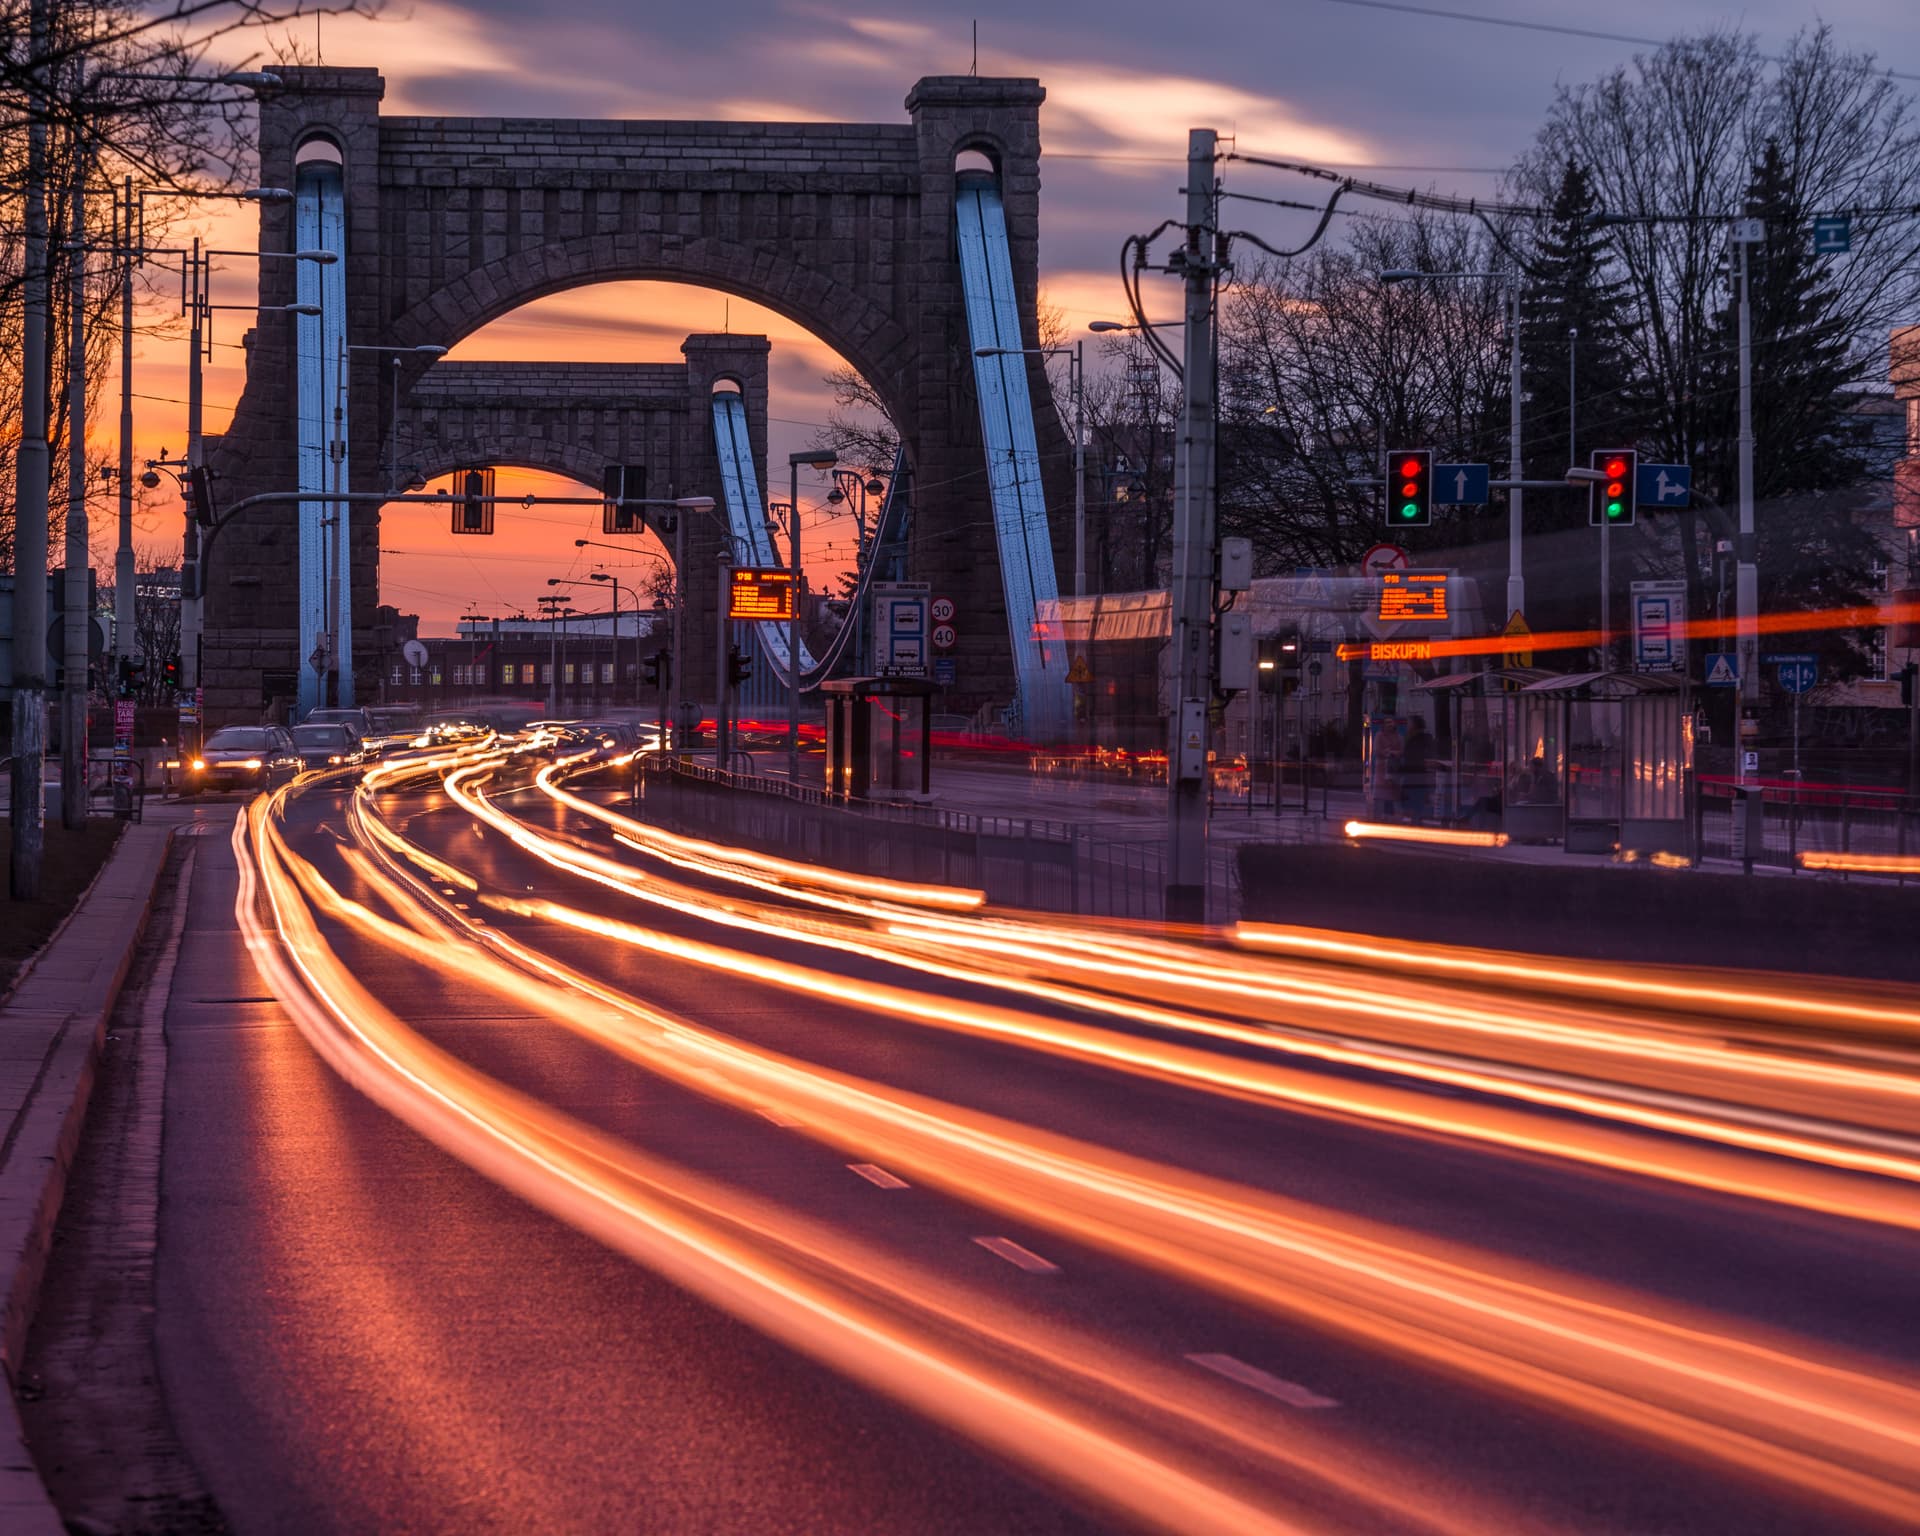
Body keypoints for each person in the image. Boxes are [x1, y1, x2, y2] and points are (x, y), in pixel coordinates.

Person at [1401, 717, 1432, 822]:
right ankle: (1416, 822)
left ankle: (1416, 823)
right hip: (1418, 777)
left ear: (1414, 726)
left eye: (1409, 724)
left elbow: (1411, 759)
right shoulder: (1423, 739)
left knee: (1414, 805)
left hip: (1414, 777)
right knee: (1417, 806)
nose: (1407, 726)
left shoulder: (1415, 740)